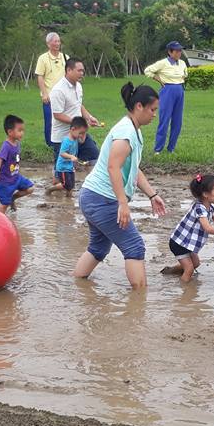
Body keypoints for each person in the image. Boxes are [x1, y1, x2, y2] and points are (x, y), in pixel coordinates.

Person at [73, 83, 167, 289]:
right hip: (101, 199)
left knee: (98, 248)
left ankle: (76, 287)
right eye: (153, 110)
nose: (154, 115)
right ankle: (139, 304)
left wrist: (152, 195)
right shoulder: (126, 132)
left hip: (91, 196)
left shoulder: (134, 130)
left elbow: (132, 168)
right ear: (139, 106)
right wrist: (122, 204)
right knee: (134, 246)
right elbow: (113, 167)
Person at [163, 174, 214, 283]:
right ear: (205, 194)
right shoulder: (199, 208)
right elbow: (207, 228)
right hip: (179, 243)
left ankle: (171, 271)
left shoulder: (210, 208)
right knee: (189, 269)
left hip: (188, 243)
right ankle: (185, 293)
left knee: (196, 264)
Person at [50, 57, 100, 165]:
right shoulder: (58, 90)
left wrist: (89, 118)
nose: (82, 73)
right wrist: (78, 123)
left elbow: (78, 105)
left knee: (95, 158)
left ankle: (89, 181)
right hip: (63, 138)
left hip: (80, 134)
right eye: (79, 71)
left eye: (83, 71)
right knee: (62, 170)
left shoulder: (79, 86)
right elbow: (57, 115)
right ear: (68, 70)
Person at [144, 41, 189, 154]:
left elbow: (185, 74)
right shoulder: (163, 63)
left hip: (180, 90)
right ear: (170, 52)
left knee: (177, 121)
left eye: (180, 50)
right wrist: (158, 79)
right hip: (167, 90)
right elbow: (147, 71)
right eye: (177, 51)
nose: (179, 53)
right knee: (164, 120)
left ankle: (171, 148)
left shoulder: (182, 63)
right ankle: (158, 149)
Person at [0, 115, 34, 212]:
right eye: (19, 130)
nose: (22, 133)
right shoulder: (6, 146)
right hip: (5, 182)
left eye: (23, 130)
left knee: (30, 188)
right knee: (3, 206)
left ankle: (13, 198)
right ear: (10, 132)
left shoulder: (17, 143)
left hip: (16, 177)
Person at [36, 32, 67, 147]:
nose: (57, 44)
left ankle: (63, 141)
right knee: (50, 121)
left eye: (59, 41)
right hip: (49, 95)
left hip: (63, 96)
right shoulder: (43, 58)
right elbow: (40, 76)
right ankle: (50, 144)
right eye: (55, 41)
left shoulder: (65, 57)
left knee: (64, 119)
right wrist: (44, 94)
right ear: (48, 44)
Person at [46, 116, 88, 197]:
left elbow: (82, 141)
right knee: (66, 185)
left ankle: (69, 197)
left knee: (71, 184)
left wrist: (84, 132)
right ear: (72, 129)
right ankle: (51, 189)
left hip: (70, 166)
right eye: (80, 133)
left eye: (83, 133)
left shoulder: (75, 138)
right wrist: (71, 157)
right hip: (63, 167)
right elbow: (62, 153)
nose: (81, 135)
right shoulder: (66, 141)